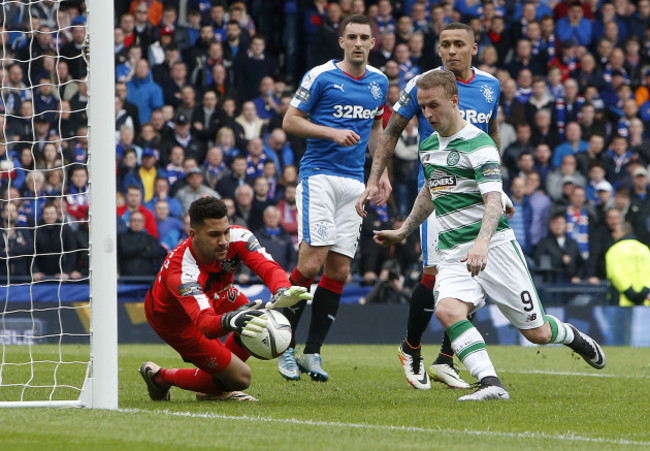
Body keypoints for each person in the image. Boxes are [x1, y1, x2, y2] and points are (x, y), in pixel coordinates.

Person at [374, 70, 606, 401]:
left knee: (537, 332)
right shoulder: (428, 145)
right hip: (454, 251)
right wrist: (403, 230)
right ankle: (490, 383)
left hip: (494, 248)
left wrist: (482, 244)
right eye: (423, 107)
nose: (427, 114)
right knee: (447, 311)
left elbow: (494, 201)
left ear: (454, 101)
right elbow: (430, 191)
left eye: (434, 106)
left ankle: (573, 338)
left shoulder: (479, 143)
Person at [356, 22, 502, 391]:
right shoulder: (419, 84)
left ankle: (445, 359)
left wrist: (497, 187)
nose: (451, 51)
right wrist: (375, 178)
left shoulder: (490, 86)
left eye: (458, 44)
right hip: (437, 194)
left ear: (474, 47)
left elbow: (491, 133)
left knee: (476, 275)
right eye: (445, 44)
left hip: (478, 194)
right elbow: (389, 132)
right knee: (436, 275)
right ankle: (411, 348)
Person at [277, 14, 389, 382]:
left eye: (364, 37)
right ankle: (283, 347)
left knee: (339, 270)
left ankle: (312, 353)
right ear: (341, 41)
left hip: (355, 184)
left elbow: (376, 127)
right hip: (319, 177)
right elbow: (290, 121)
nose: (358, 43)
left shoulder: (379, 82)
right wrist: (331, 132)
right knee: (310, 265)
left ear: (373, 42)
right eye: (352, 37)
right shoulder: (320, 76)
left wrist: (381, 172)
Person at [139, 197, 311, 402]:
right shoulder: (183, 271)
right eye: (214, 235)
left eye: (225, 231)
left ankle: (215, 386)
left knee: (257, 319)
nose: (223, 241)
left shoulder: (238, 236)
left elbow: (265, 264)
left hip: (219, 295)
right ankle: (160, 378)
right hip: (176, 320)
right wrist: (230, 320)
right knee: (240, 378)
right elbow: (205, 324)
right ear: (193, 234)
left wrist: (282, 289)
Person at [605, 222, 650, 306]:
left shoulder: (614, 250)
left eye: (615, 231)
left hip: (621, 302)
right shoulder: (645, 249)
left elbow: (616, 274)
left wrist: (630, 293)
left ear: (624, 232)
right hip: (644, 301)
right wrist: (645, 291)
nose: (613, 234)